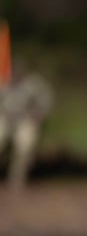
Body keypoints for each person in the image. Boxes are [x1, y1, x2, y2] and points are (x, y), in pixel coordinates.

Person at [0, 62, 54, 192]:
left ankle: (16, 180)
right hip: (5, 118)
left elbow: (46, 100)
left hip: (25, 119)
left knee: (24, 145)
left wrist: (38, 114)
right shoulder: (3, 83)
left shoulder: (33, 84)